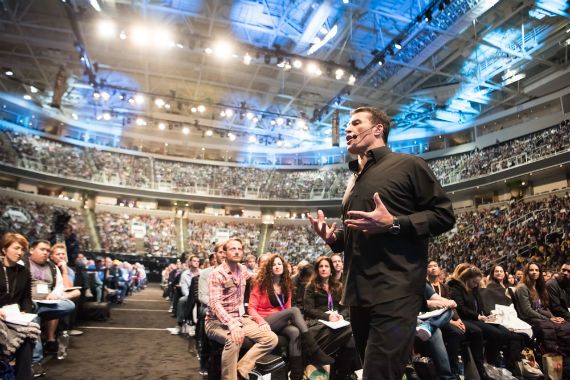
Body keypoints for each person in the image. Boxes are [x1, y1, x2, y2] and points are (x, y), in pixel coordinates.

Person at [307, 106, 455, 379]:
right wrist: (335, 239)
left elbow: (444, 215)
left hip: (395, 291)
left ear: (378, 129)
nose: (347, 129)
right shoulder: (353, 180)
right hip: (358, 294)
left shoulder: (409, 165)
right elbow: (361, 231)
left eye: (355, 123)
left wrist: (395, 222)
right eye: (347, 125)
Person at [248, 254, 333, 380]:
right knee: (294, 311)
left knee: (295, 332)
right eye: (274, 264)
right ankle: (314, 349)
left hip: (281, 320)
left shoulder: (286, 285)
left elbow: (286, 308)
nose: (277, 266)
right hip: (265, 319)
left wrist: (290, 322)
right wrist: (261, 321)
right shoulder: (260, 284)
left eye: (279, 264)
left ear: (283, 267)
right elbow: (251, 308)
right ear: (269, 268)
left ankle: (296, 376)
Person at [205, 238, 277, 380]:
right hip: (216, 321)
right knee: (234, 340)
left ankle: (241, 370)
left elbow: (257, 278)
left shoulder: (243, 269)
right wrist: (232, 325)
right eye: (233, 249)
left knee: (271, 338)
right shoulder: (217, 274)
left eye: (239, 249)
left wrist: (272, 269)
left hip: (240, 318)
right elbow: (215, 304)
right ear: (224, 253)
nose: (237, 252)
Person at [448, 266, 522, 377]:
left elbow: (480, 304)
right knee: (495, 334)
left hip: (478, 317)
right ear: (467, 279)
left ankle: (496, 361)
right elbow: (461, 308)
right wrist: (478, 316)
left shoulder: (474, 288)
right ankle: (487, 365)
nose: (476, 284)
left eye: (478, 282)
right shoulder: (456, 288)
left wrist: (485, 315)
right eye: (474, 282)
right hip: (467, 319)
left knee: (505, 333)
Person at [303, 256, 360, 379]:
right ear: (317, 270)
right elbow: (308, 309)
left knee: (352, 341)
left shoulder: (337, 285)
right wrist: (327, 317)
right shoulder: (311, 286)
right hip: (318, 322)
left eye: (326, 266)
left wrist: (341, 315)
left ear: (331, 269)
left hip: (337, 321)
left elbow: (345, 306)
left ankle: (341, 374)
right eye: (321, 266)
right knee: (350, 331)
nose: (324, 269)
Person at [0, 233, 40, 380]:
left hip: (14, 316)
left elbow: (27, 299)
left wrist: (25, 312)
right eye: (16, 248)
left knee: (30, 331)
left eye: (22, 249)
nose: (19, 253)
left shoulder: (24, 272)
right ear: (4, 249)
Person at [514, 262, 570, 357]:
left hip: (539, 317)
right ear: (526, 272)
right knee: (563, 329)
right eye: (531, 270)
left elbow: (544, 307)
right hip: (529, 319)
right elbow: (527, 311)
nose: (534, 272)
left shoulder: (536, 287)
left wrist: (553, 317)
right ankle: (556, 355)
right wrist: (548, 319)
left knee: (565, 324)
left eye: (537, 270)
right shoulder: (522, 288)